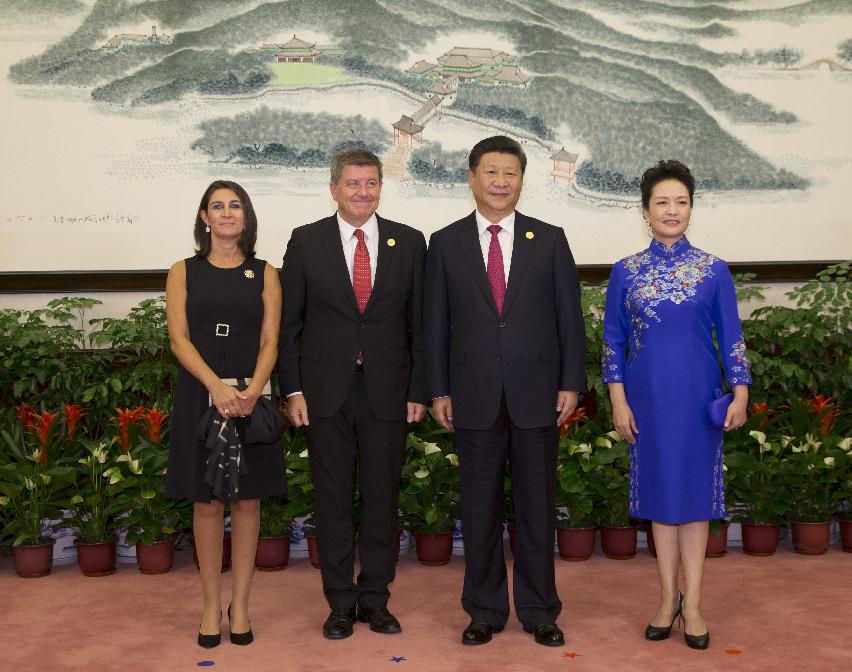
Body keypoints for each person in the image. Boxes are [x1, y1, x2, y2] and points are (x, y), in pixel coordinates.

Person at [424, 135, 586, 647]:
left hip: (538, 393)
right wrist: (438, 388)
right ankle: (485, 610)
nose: (500, 182)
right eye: (491, 172)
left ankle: (540, 610)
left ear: (521, 180)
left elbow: (569, 320)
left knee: (537, 508)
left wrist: (571, 383)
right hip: (472, 394)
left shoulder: (550, 238)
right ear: (471, 178)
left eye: (510, 173)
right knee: (479, 509)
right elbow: (434, 325)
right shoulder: (445, 243)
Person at [277, 148, 427, 640]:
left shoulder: (409, 242)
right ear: (334, 188)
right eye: (353, 183)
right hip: (325, 392)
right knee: (334, 499)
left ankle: (376, 600)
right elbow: (289, 325)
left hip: (389, 390)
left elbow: (420, 327)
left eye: (371, 183)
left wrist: (419, 390)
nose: (363, 191)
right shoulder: (306, 242)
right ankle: (340, 602)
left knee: (383, 499)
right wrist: (292, 389)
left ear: (381, 187)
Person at [602, 160, 750, 650]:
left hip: (698, 399)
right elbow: (613, 343)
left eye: (681, 202)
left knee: (695, 503)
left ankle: (697, 604)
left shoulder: (714, 270)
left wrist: (741, 391)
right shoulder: (626, 272)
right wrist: (618, 403)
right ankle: (667, 599)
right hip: (647, 402)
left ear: (691, 208)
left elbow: (732, 337)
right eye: (662, 202)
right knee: (661, 502)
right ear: (645, 211)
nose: (672, 210)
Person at [165, 180, 286, 648]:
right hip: (202, 394)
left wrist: (253, 390)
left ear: (246, 216)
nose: (227, 213)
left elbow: (271, 340)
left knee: (249, 501)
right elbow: (179, 338)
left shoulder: (265, 272)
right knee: (207, 502)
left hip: (251, 394)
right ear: (204, 218)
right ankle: (211, 607)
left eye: (235, 206)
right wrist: (216, 386)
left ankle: (242, 607)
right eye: (218, 206)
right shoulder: (183, 270)